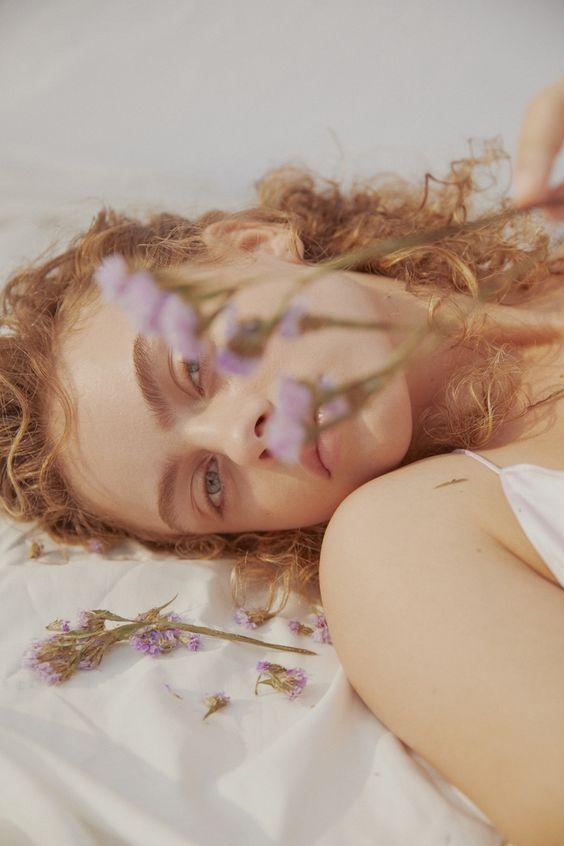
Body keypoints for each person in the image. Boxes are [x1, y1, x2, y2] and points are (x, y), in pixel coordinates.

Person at [0, 78, 563, 842]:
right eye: (208, 482)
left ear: (255, 245)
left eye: (193, 369)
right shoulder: (403, 547)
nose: (241, 438)